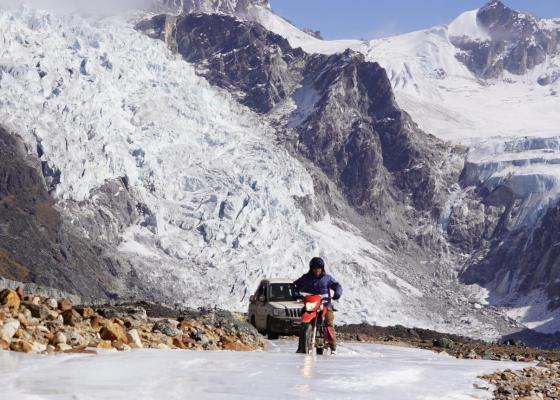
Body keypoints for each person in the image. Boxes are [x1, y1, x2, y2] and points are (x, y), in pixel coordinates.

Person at [293, 257, 342, 354]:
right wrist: (294, 293)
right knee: (304, 323)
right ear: (311, 268)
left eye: (319, 268)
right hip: (310, 305)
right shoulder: (305, 278)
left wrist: (337, 292)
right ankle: (301, 346)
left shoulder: (327, 278)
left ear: (322, 268)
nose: (316, 270)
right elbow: (295, 285)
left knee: (329, 323)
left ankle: (333, 347)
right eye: (314, 268)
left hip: (325, 304)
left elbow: (337, 285)